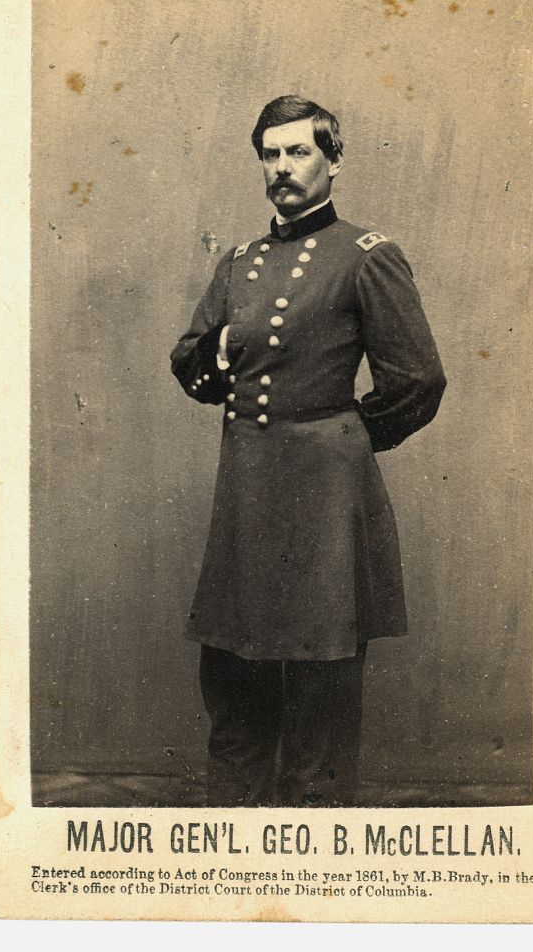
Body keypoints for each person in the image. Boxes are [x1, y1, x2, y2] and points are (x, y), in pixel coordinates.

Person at [170, 95, 446, 808]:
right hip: (246, 495)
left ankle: (314, 841)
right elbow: (190, 364)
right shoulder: (238, 262)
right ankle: (234, 836)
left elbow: (417, 380)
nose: (282, 168)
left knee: (321, 682)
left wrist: (343, 442)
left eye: (298, 152)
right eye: (271, 154)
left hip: (324, 500)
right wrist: (217, 349)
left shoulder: (365, 256)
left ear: (333, 160)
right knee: (233, 676)